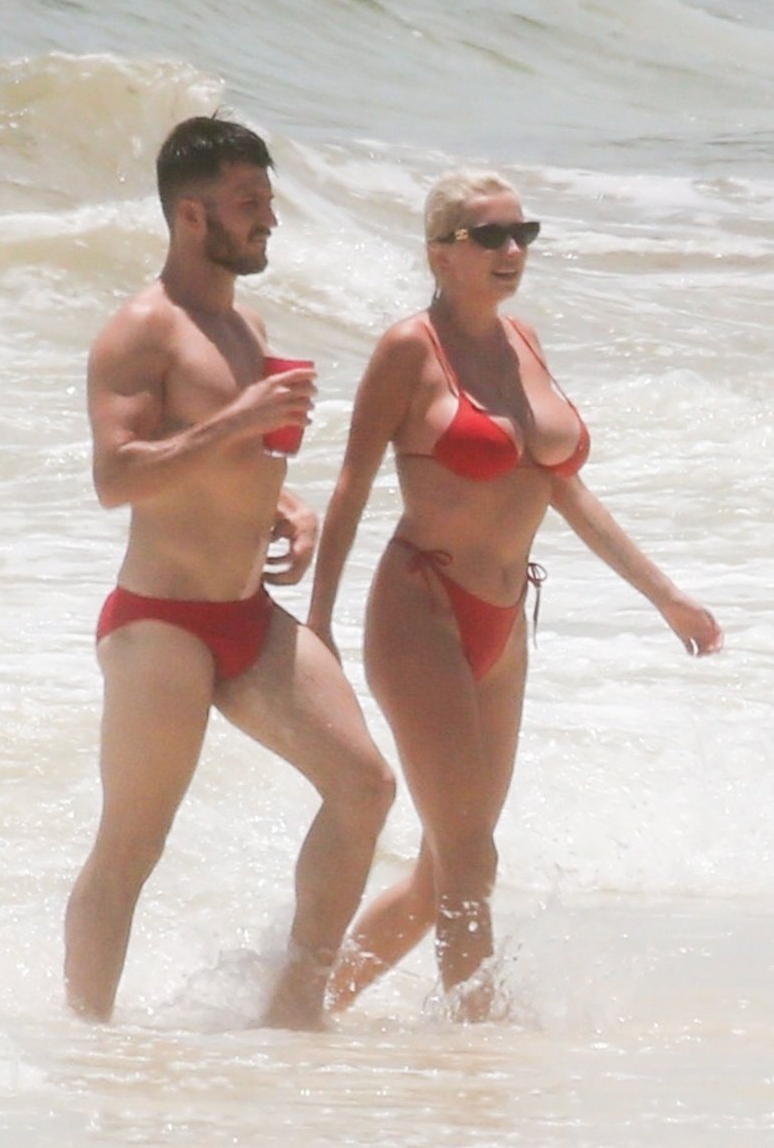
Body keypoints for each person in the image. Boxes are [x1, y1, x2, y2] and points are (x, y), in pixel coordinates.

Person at [307, 168, 723, 1022]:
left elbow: (562, 486)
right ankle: (473, 1050)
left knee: (446, 868)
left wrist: (665, 597)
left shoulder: (523, 342)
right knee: (471, 859)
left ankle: (307, 1004)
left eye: (521, 234)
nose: (511, 250)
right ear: (440, 253)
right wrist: (318, 626)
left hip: (503, 622)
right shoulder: (408, 349)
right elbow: (350, 487)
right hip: (421, 609)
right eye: (489, 236)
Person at [64, 115, 395, 1030]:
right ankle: (86, 1044)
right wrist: (238, 422)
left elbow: (230, 465)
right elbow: (115, 477)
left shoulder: (243, 324)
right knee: (133, 846)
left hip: (246, 614)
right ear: (190, 215)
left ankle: (295, 1009)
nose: (269, 220)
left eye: (268, 201)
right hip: (160, 624)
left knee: (364, 788)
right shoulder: (142, 332)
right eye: (249, 203)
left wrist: (287, 506)